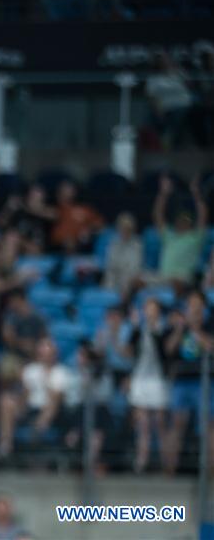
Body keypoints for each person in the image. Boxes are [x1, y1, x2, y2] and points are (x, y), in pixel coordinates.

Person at [163, 291, 214, 475]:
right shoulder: (178, 324)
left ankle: (210, 472)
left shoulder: (209, 324)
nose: (193, 308)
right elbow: (169, 349)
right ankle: (169, 470)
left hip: (205, 381)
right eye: (190, 305)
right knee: (176, 424)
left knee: (209, 426)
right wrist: (180, 329)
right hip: (181, 381)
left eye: (197, 305)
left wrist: (195, 330)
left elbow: (211, 346)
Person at [123, 298, 170, 473]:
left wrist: (154, 330)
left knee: (160, 424)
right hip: (140, 380)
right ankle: (141, 463)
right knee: (143, 426)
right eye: (147, 309)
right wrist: (135, 328)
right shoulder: (138, 330)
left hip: (158, 380)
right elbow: (128, 352)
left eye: (153, 309)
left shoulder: (163, 329)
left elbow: (166, 352)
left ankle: (167, 464)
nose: (149, 312)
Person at [154, 175, 208, 289]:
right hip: (162, 277)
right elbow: (157, 215)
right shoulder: (169, 235)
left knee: (176, 283)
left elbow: (203, 215)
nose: (183, 223)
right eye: (180, 220)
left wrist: (197, 194)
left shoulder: (195, 238)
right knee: (137, 280)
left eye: (186, 221)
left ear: (190, 224)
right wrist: (163, 194)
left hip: (183, 279)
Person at [103, 212, 143, 296]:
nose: (125, 231)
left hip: (131, 284)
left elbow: (134, 268)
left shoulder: (137, 244)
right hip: (114, 283)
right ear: (118, 228)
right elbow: (110, 269)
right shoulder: (113, 244)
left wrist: (125, 287)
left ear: (132, 229)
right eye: (123, 228)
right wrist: (109, 288)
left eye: (128, 228)